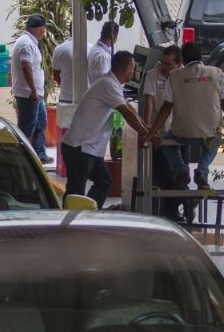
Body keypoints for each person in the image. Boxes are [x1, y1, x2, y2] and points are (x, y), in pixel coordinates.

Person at [62, 51, 152, 208]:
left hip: (89, 148)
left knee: (104, 182)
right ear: (126, 68)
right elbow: (127, 113)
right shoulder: (108, 85)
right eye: (133, 67)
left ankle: (88, 215)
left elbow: (130, 109)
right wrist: (148, 134)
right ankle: (73, 225)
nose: (135, 71)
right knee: (75, 193)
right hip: (80, 147)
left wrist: (148, 130)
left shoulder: (111, 83)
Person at [148, 42, 224, 190]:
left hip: (182, 132)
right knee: (215, 139)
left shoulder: (174, 76)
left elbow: (166, 108)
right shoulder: (217, 73)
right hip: (209, 133)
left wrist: (150, 133)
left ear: (182, 60)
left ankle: (181, 171)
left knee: (167, 142)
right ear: (201, 56)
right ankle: (202, 170)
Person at [142, 45, 190, 221]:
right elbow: (149, 102)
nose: (163, 67)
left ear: (179, 64)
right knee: (163, 176)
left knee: (181, 176)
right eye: (162, 63)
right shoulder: (152, 75)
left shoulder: (185, 77)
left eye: (168, 64)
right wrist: (147, 129)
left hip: (181, 135)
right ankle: (164, 213)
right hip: (160, 136)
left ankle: (178, 209)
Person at [11, 14, 52, 164]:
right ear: (37, 28)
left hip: (35, 94)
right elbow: (26, 67)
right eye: (43, 28)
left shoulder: (28, 42)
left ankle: (39, 153)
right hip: (29, 94)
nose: (44, 32)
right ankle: (21, 158)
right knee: (26, 128)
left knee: (41, 122)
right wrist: (33, 90)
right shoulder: (26, 44)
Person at [87, 21, 119, 86]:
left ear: (101, 33)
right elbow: (105, 84)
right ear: (114, 38)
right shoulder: (102, 57)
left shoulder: (94, 49)